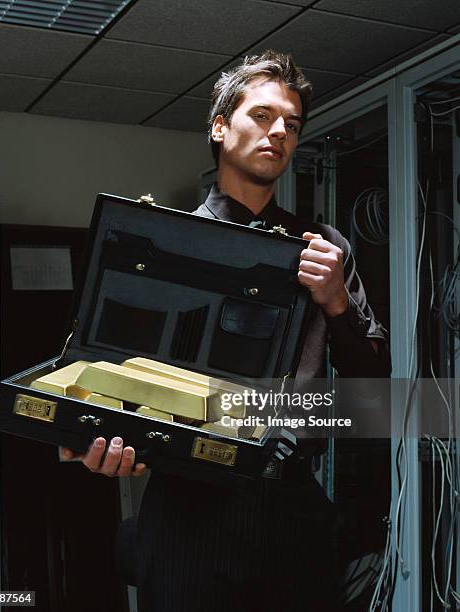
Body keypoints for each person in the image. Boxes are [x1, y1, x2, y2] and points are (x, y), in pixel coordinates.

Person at [61, 50, 391, 611]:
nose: (280, 131)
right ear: (219, 127)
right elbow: (105, 371)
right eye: (262, 116)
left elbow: (372, 384)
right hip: (189, 505)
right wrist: (90, 441)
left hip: (292, 504)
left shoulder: (325, 249)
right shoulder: (163, 243)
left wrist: (337, 301)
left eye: (291, 123)